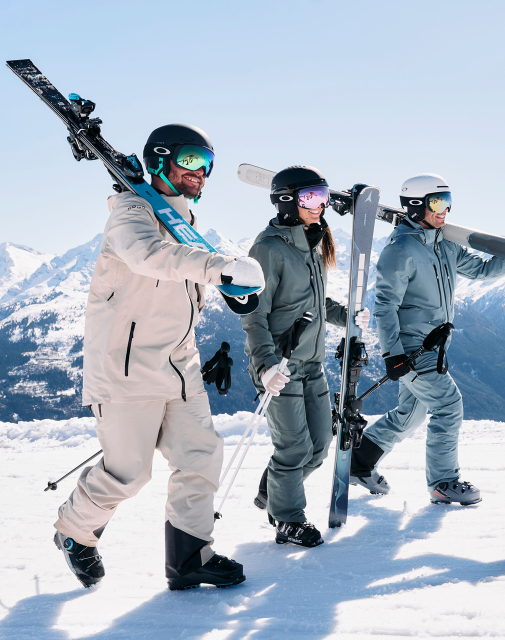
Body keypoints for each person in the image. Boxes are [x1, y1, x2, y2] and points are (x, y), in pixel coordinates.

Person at [53, 124, 267, 590]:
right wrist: (220, 267)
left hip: (180, 368)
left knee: (202, 455)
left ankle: (190, 557)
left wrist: (234, 291)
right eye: (191, 161)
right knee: (128, 474)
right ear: (161, 159)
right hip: (125, 369)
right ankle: (74, 531)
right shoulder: (131, 213)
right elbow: (151, 257)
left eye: (207, 165)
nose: (201, 173)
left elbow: (182, 293)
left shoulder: (183, 223)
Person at [349, 173, 505, 505]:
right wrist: (392, 354)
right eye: (438, 203)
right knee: (448, 405)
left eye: (448, 202)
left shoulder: (444, 244)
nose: (445, 211)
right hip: (412, 349)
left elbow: (482, 271)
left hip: (435, 345)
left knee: (409, 415)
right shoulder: (400, 250)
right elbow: (384, 306)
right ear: (415, 206)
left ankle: (359, 463)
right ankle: (443, 482)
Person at [242, 165, 369, 548]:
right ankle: (287, 519)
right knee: (293, 448)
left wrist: (345, 316)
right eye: (311, 198)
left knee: (318, 447)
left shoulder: (314, 242)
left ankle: (275, 490)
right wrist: (265, 367)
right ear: (287, 201)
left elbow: (313, 302)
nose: (321, 206)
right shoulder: (268, 249)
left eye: (324, 197)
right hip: (279, 366)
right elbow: (254, 314)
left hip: (312, 364)